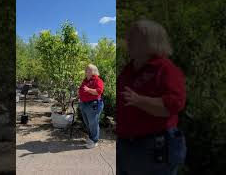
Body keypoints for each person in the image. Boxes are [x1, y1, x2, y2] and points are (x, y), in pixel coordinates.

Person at [117, 19, 187, 175]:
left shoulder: (166, 69)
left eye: (133, 37)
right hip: (125, 146)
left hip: (153, 149)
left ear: (150, 42)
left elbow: (174, 104)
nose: (128, 40)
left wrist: (139, 100)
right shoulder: (128, 70)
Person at [78, 64, 104, 149]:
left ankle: (94, 141)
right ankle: (91, 137)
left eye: (88, 69)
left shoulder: (98, 80)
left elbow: (99, 91)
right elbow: (82, 90)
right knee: (87, 122)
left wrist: (88, 90)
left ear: (94, 71)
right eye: (86, 69)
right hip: (84, 104)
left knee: (93, 123)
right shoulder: (85, 80)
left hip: (93, 104)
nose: (86, 71)